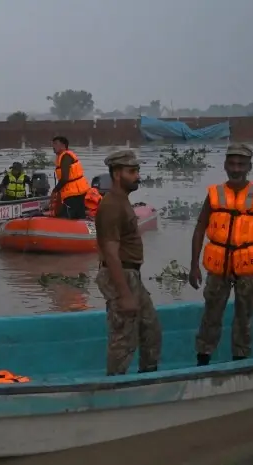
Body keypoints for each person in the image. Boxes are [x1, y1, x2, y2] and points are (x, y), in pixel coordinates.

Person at [189, 143, 253, 366]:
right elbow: (199, 228)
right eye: (232, 164)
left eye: (241, 164)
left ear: (249, 167)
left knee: (244, 318)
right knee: (211, 316)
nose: (236, 169)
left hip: (249, 269)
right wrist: (194, 265)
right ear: (225, 165)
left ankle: (240, 361)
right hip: (218, 268)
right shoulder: (214, 194)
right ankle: (203, 361)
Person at [95, 149, 161, 375]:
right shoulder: (112, 205)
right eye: (131, 172)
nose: (137, 176)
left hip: (131, 274)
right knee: (123, 338)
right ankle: (114, 384)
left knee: (150, 328)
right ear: (116, 174)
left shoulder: (122, 201)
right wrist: (124, 294)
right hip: (121, 274)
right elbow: (110, 252)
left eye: (137, 171)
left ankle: (148, 377)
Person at [51, 136, 89, 219]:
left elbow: (65, 178)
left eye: (55, 143)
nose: (53, 146)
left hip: (73, 193)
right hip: (78, 191)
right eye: (52, 144)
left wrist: (55, 190)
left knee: (67, 216)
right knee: (79, 216)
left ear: (63, 145)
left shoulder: (66, 157)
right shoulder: (62, 156)